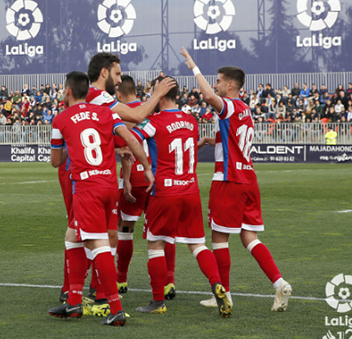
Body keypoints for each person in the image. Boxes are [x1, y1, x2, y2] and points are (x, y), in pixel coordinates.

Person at [179, 47, 292, 312]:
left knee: (218, 238)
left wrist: (193, 67)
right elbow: (235, 139)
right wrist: (212, 139)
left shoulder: (228, 105)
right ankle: (279, 283)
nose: (215, 84)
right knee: (249, 237)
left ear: (230, 85)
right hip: (248, 179)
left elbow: (207, 95)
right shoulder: (245, 109)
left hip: (228, 180)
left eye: (218, 80)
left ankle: (224, 294)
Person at [48, 71, 152, 327]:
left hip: (87, 188)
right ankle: (73, 301)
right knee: (73, 236)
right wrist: (147, 167)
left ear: (68, 91)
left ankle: (115, 308)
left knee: (98, 243)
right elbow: (129, 138)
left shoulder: (61, 119)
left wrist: (69, 148)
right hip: (108, 185)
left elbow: (55, 162)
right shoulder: (107, 113)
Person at [130, 75, 231, 317]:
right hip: (190, 190)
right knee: (198, 244)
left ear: (161, 94)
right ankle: (219, 286)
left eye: (154, 92)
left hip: (164, 191)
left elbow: (131, 138)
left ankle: (157, 302)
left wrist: (144, 164)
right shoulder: (190, 120)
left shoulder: (154, 122)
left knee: (155, 244)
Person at [114, 75, 176, 299]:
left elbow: (128, 148)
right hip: (159, 179)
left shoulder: (121, 112)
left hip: (137, 179)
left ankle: (120, 279)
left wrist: (128, 179)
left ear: (119, 93)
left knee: (125, 229)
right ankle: (168, 281)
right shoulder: (151, 109)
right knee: (163, 233)